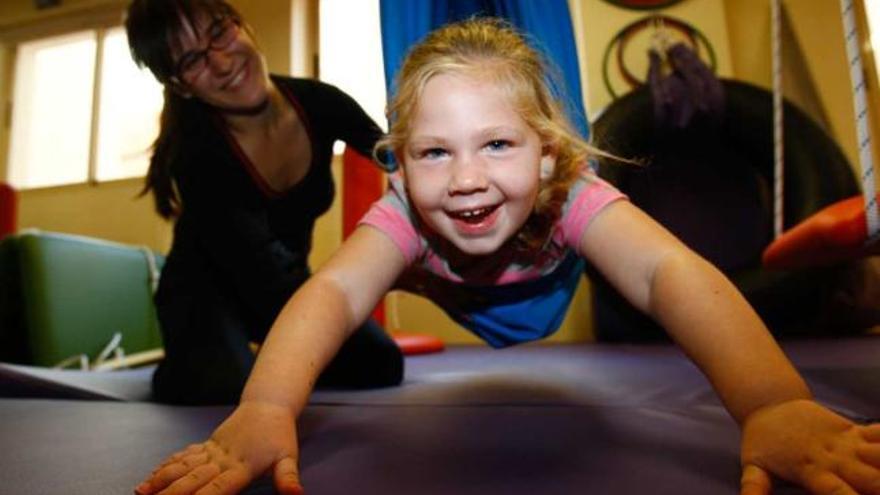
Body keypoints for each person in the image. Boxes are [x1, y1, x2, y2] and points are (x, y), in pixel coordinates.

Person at [134, 17, 880, 495]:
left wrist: (773, 402)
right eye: (434, 151)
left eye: (497, 143)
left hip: (542, 284)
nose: (465, 179)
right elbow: (328, 296)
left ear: (548, 154)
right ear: (399, 163)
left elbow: (665, 271)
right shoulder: (402, 212)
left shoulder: (569, 193)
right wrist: (266, 405)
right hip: (415, 289)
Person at [124, 0, 403, 405]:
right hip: (206, 294)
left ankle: (246, 353)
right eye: (192, 60)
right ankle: (187, 361)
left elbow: (397, 157)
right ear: (182, 86)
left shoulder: (319, 102)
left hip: (282, 287)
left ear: (242, 26)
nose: (221, 62)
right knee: (232, 388)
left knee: (379, 364)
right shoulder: (198, 155)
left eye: (219, 32)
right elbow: (261, 270)